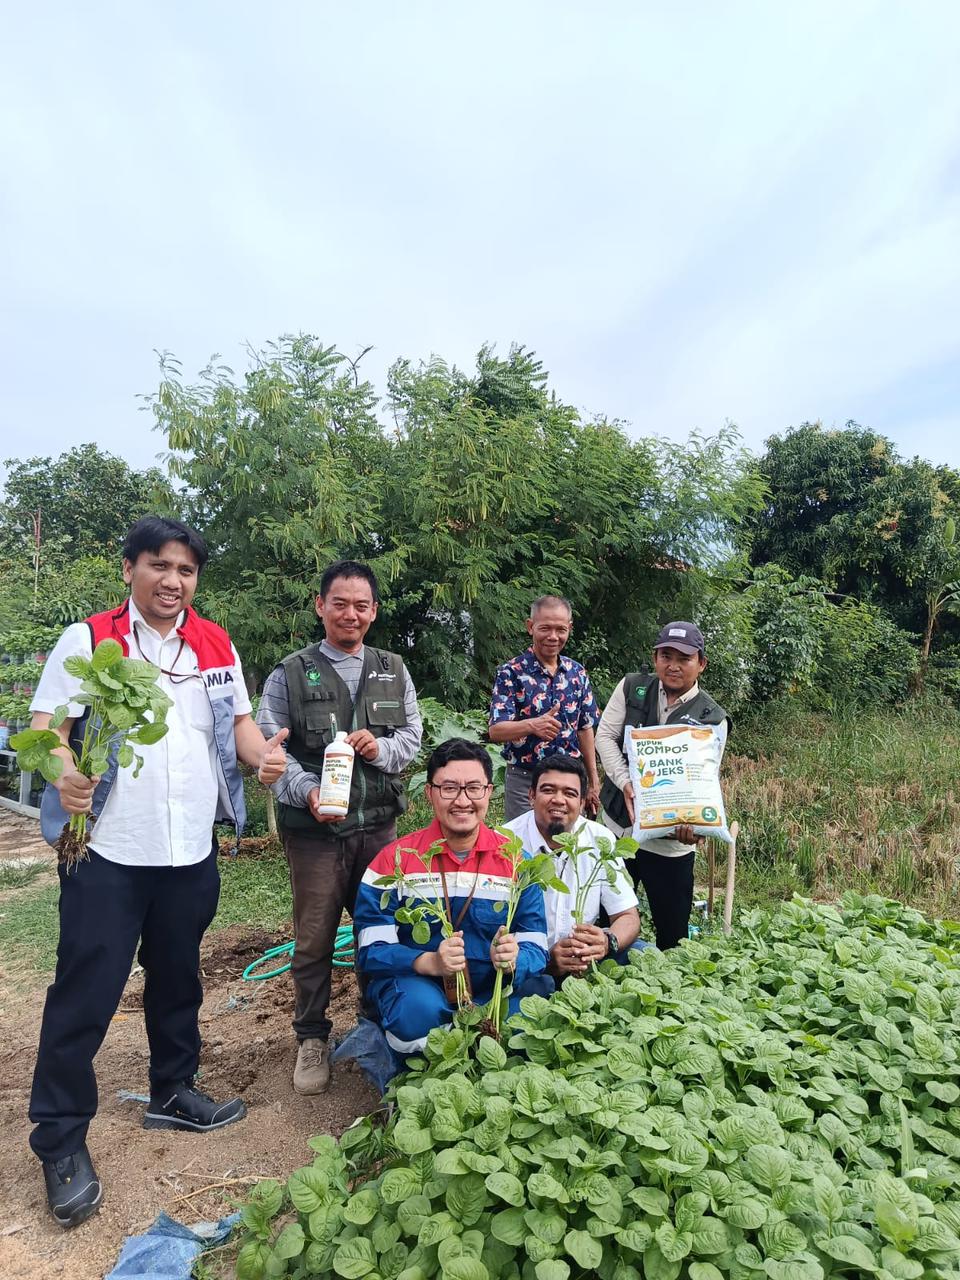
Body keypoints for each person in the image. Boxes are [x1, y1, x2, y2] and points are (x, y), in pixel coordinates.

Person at [27, 516, 289, 1229]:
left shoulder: (214, 644)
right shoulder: (90, 640)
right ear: (129, 569)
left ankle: (173, 1092)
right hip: (108, 853)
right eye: (160, 566)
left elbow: (235, 726)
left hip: (187, 854)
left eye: (186, 571)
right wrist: (64, 773)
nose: (174, 581)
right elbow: (46, 726)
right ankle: (58, 1137)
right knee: (85, 995)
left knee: (179, 982)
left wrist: (260, 753)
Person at [257, 560, 422, 1094]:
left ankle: (378, 1022)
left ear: (373, 611)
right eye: (340, 603)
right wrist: (305, 792)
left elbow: (412, 738)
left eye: (361, 605)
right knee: (313, 938)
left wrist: (382, 748)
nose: (350, 614)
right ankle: (311, 1037)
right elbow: (269, 747)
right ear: (320, 605)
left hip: (378, 829)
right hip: (314, 834)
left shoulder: (392, 668)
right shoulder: (290, 672)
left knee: (383, 929)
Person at [354, 738, 551, 1054]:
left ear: (489, 792)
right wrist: (428, 961)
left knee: (532, 1014)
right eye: (449, 788)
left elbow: (537, 944)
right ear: (430, 792)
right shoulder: (393, 861)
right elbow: (371, 949)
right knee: (415, 1015)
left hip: (494, 988)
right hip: (423, 986)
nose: (463, 800)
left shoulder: (517, 862)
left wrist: (516, 957)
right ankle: (422, 1076)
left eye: (474, 788)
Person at [597, 622, 729, 950]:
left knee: (672, 934)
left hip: (669, 845)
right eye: (665, 655)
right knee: (599, 920)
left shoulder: (713, 718)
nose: (673, 665)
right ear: (654, 658)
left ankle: (669, 993)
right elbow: (604, 736)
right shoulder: (631, 687)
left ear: (701, 663)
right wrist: (627, 783)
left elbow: (703, 781)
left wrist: (694, 824)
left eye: (684, 658)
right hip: (617, 830)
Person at [504, 753, 641, 979]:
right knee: (536, 985)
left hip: (584, 961)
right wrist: (545, 960)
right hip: (526, 964)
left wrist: (607, 943)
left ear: (582, 803)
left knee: (643, 953)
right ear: (531, 796)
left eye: (570, 793)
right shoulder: (506, 842)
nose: (558, 799)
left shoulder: (600, 839)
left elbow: (628, 916)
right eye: (548, 790)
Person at [488, 595, 600, 822]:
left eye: (560, 629)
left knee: (567, 848)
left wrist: (593, 782)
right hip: (525, 779)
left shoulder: (577, 673)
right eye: (545, 628)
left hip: (569, 781)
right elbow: (496, 730)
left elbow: (585, 728)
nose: (553, 636)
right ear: (530, 627)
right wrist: (531, 725)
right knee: (524, 850)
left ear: (569, 629)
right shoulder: (511, 672)